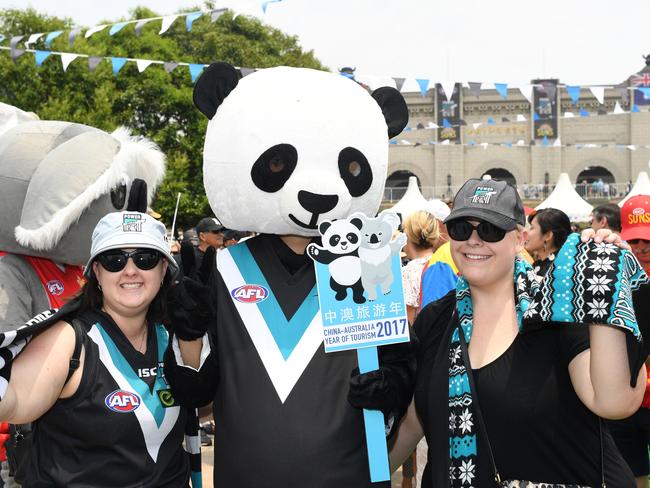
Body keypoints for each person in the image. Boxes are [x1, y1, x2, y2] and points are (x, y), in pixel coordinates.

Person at [390, 177, 647, 487]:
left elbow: (614, 402)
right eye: (461, 228)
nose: (474, 240)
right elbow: (414, 422)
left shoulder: (558, 310)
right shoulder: (435, 319)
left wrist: (603, 288)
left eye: (490, 229)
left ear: (520, 238)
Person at [0, 211, 193, 487]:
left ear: (163, 269)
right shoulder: (69, 339)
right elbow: (15, 401)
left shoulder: (172, 335)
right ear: (96, 273)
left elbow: (203, 407)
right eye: (114, 259)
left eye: (145, 258)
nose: (130, 270)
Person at [609, 195, 650, 488]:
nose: (642, 248)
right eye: (634, 242)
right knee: (630, 473)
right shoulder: (614, 282)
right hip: (625, 399)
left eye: (648, 240)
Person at [402, 211, 442, 325]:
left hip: (422, 338)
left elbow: (408, 324)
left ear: (407, 237)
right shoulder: (444, 265)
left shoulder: (407, 273)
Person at [524, 208, 571, 277]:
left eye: (531, 228)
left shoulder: (553, 272)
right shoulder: (563, 264)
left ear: (548, 236)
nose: (526, 232)